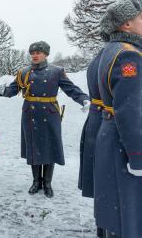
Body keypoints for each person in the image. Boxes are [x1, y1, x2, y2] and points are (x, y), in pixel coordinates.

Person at [0, 41, 90, 197]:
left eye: (38, 52)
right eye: (32, 53)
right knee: (33, 147)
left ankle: (47, 183)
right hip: (30, 113)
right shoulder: (24, 72)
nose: (35, 55)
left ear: (46, 54)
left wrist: (84, 99)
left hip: (50, 113)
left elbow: (71, 88)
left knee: (49, 147)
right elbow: (13, 90)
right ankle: (35, 181)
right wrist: (3, 91)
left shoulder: (57, 71)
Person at [94, 0, 142, 238]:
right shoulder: (129, 56)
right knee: (129, 213)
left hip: (111, 135)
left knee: (116, 209)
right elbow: (130, 110)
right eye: (140, 18)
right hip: (124, 142)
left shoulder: (112, 49)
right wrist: (138, 157)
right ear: (126, 25)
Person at [78, 48, 105, 238]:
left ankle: (104, 227)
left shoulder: (102, 56)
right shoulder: (127, 54)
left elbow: (69, 87)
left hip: (100, 120)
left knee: (104, 181)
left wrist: (83, 100)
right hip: (109, 120)